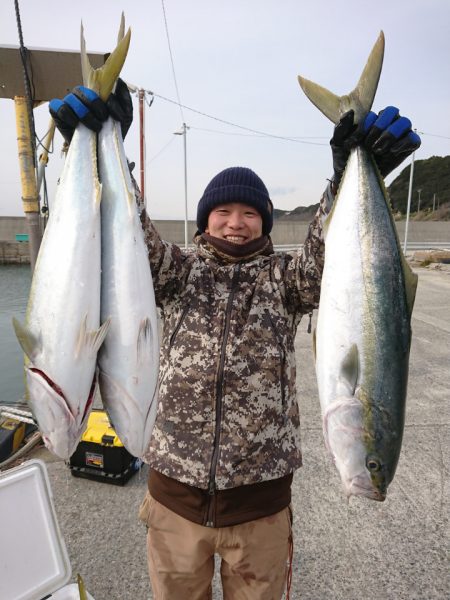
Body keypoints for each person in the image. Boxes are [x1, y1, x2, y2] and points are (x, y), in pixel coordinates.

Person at [50, 83, 420, 600]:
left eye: (250, 213)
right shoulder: (175, 272)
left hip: (260, 507)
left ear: (265, 221)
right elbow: (126, 229)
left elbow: (332, 253)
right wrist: (94, 147)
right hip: (173, 500)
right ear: (205, 220)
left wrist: (348, 175)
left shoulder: (287, 281)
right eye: (223, 212)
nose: (236, 223)